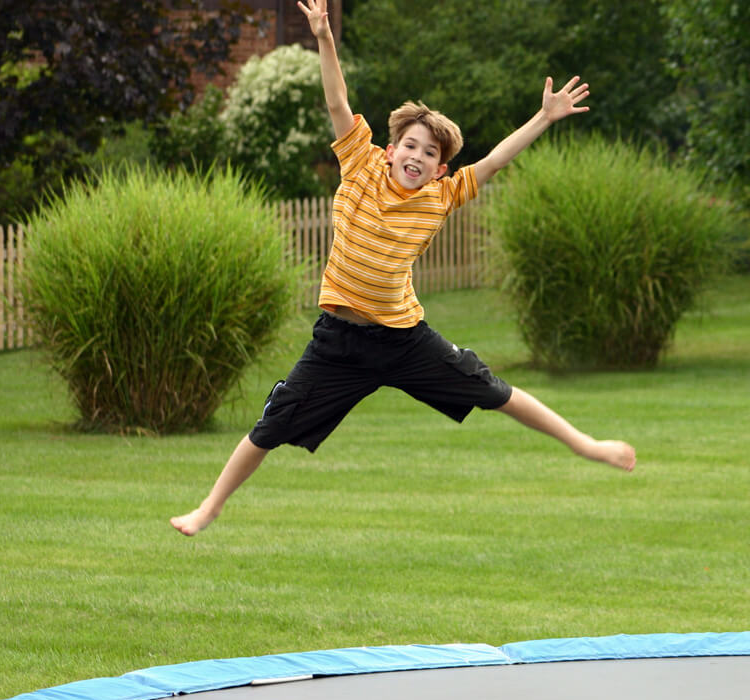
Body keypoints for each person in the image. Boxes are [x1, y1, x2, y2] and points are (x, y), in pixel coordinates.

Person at [170, 0, 635, 536]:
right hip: (338, 344)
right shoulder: (359, 163)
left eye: (429, 152)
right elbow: (338, 100)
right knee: (270, 426)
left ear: (441, 167)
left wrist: (545, 117)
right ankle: (210, 508)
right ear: (390, 150)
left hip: (403, 340)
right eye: (409, 145)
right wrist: (323, 35)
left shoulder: (441, 196)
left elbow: (495, 160)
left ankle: (588, 445)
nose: (417, 156)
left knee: (494, 392)